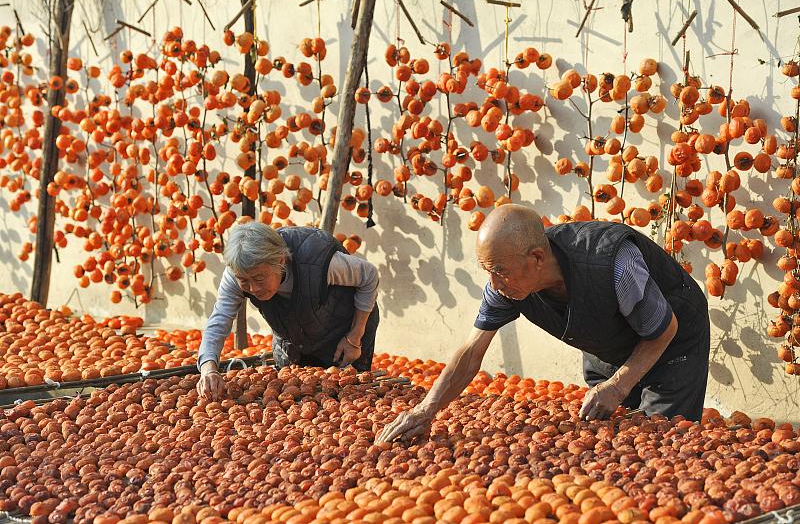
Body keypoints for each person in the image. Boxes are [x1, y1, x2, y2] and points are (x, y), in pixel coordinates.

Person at [378, 204, 709, 443]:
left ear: (537, 258)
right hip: (606, 345)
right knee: (616, 441)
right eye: (488, 272)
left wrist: (618, 386)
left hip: (672, 343)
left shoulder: (613, 263)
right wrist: (426, 409)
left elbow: (662, 331)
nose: (494, 284)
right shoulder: (506, 282)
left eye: (500, 271)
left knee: (663, 441)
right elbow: (470, 353)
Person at [196, 221, 380, 401]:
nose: (253, 289)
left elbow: (369, 276)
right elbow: (219, 319)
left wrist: (355, 337)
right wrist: (208, 369)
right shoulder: (237, 273)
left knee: (350, 396)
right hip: (294, 336)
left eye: (260, 278)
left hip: (343, 329)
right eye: (244, 281)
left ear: (281, 261)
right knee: (299, 399)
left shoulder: (319, 261)